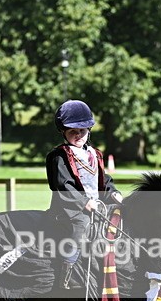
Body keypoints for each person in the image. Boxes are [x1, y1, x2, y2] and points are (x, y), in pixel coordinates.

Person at [46, 100, 122, 289]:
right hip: (71, 209)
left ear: (89, 130)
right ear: (63, 132)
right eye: (73, 131)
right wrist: (84, 202)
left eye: (82, 130)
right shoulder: (59, 156)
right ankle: (67, 271)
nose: (78, 135)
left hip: (97, 205)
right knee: (82, 224)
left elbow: (103, 180)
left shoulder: (94, 154)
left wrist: (113, 193)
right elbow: (63, 185)